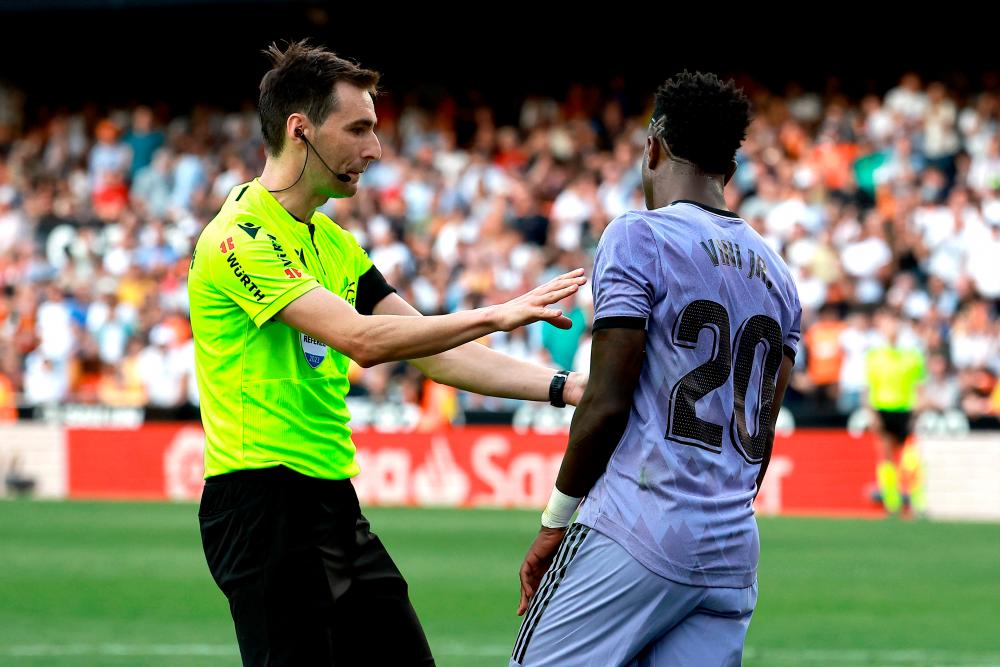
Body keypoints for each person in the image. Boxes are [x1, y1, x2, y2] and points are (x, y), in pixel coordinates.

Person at [188, 40, 588, 667]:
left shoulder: (335, 244)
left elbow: (437, 354)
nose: (374, 149)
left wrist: (566, 387)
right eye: (358, 129)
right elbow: (361, 340)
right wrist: (498, 312)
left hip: (331, 502)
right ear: (300, 129)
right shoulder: (238, 237)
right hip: (262, 506)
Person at [511, 71, 802, 666]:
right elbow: (761, 433)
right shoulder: (781, 277)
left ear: (652, 147)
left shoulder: (637, 235)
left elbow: (607, 399)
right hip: (732, 551)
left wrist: (555, 520)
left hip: (637, 526)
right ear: (730, 170)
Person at [865, 310, 926, 516]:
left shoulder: (912, 355)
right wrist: (872, 414)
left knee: (911, 456)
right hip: (883, 408)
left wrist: (918, 411)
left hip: (906, 409)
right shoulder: (874, 356)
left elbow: (919, 386)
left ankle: (917, 500)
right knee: (886, 456)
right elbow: (869, 387)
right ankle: (892, 501)